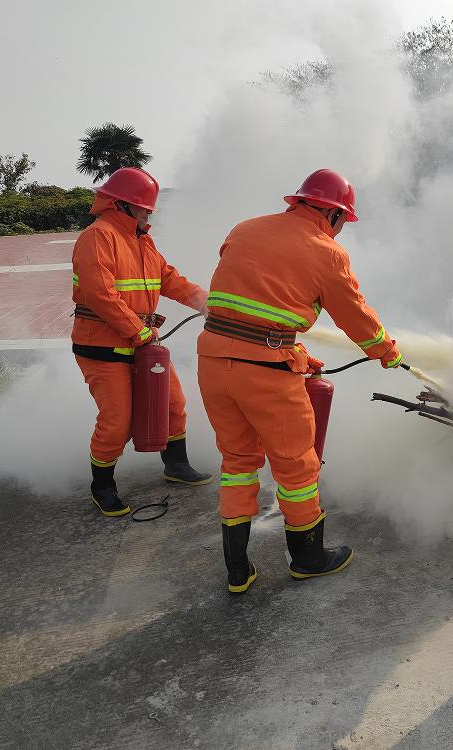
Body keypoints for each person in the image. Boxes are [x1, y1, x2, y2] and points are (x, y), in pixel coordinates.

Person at [197, 168, 402, 594]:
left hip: (214, 360)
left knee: (237, 461)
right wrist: (385, 350)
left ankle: (238, 569)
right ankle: (308, 559)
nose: (341, 230)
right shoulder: (326, 253)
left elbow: (254, 304)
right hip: (265, 374)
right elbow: (354, 314)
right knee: (297, 467)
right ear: (332, 214)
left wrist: (296, 353)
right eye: (343, 221)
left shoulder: (245, 228)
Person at [72, 167, 212, 518]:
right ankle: (102, 485)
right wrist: (137, 331)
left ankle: (175, 466)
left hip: (141, 344)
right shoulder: (97, 236)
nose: (149, 214)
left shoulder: (142, 240)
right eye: (145, 208)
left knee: (174, 404)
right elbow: (99, 294)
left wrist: (208, 302)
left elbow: (170, 280)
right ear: (123, 205)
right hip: (103, 348)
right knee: (117, 420)